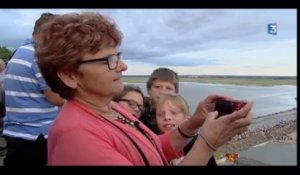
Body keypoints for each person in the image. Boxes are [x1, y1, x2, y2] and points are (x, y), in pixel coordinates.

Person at [35, 12, 253, 165]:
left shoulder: (111, 108)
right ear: (70, 75)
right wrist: (207, 143)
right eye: (109, 60)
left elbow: (154, 147)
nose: (123, 66)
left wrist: (195, 120)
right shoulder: (76, 136)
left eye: (118, 56)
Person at [2, 13, 65, 165]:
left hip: (16, 131)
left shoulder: (19, 52)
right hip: (35, 135)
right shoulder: (40, 56)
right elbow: (56, 99)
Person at [155, 93, 217, 165]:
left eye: (174, 113)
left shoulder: (197, 143)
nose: (167, 117)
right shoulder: (151, 144)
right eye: (160, 114)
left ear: (187, 117)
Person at [139, 67, 179, 134]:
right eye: (157, 87)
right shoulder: (139, 111)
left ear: (175, 93)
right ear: (149, 90)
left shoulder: (180, 114)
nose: (163, 92)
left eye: (168, 88)